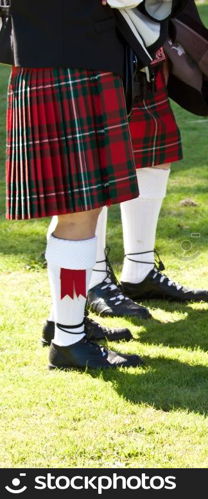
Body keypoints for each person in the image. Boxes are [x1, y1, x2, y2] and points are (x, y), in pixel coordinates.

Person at [3, 0, 147, 369]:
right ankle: (69, 340)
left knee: (80, 211)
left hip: (53, 59)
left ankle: (64, 319)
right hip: (72, 64)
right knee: (78, 214)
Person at [84, 47, 208, 321]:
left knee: (155, 154)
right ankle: (93, 280)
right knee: (94, 162)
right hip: (91, 45)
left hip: (143, 48)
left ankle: (140, 270)